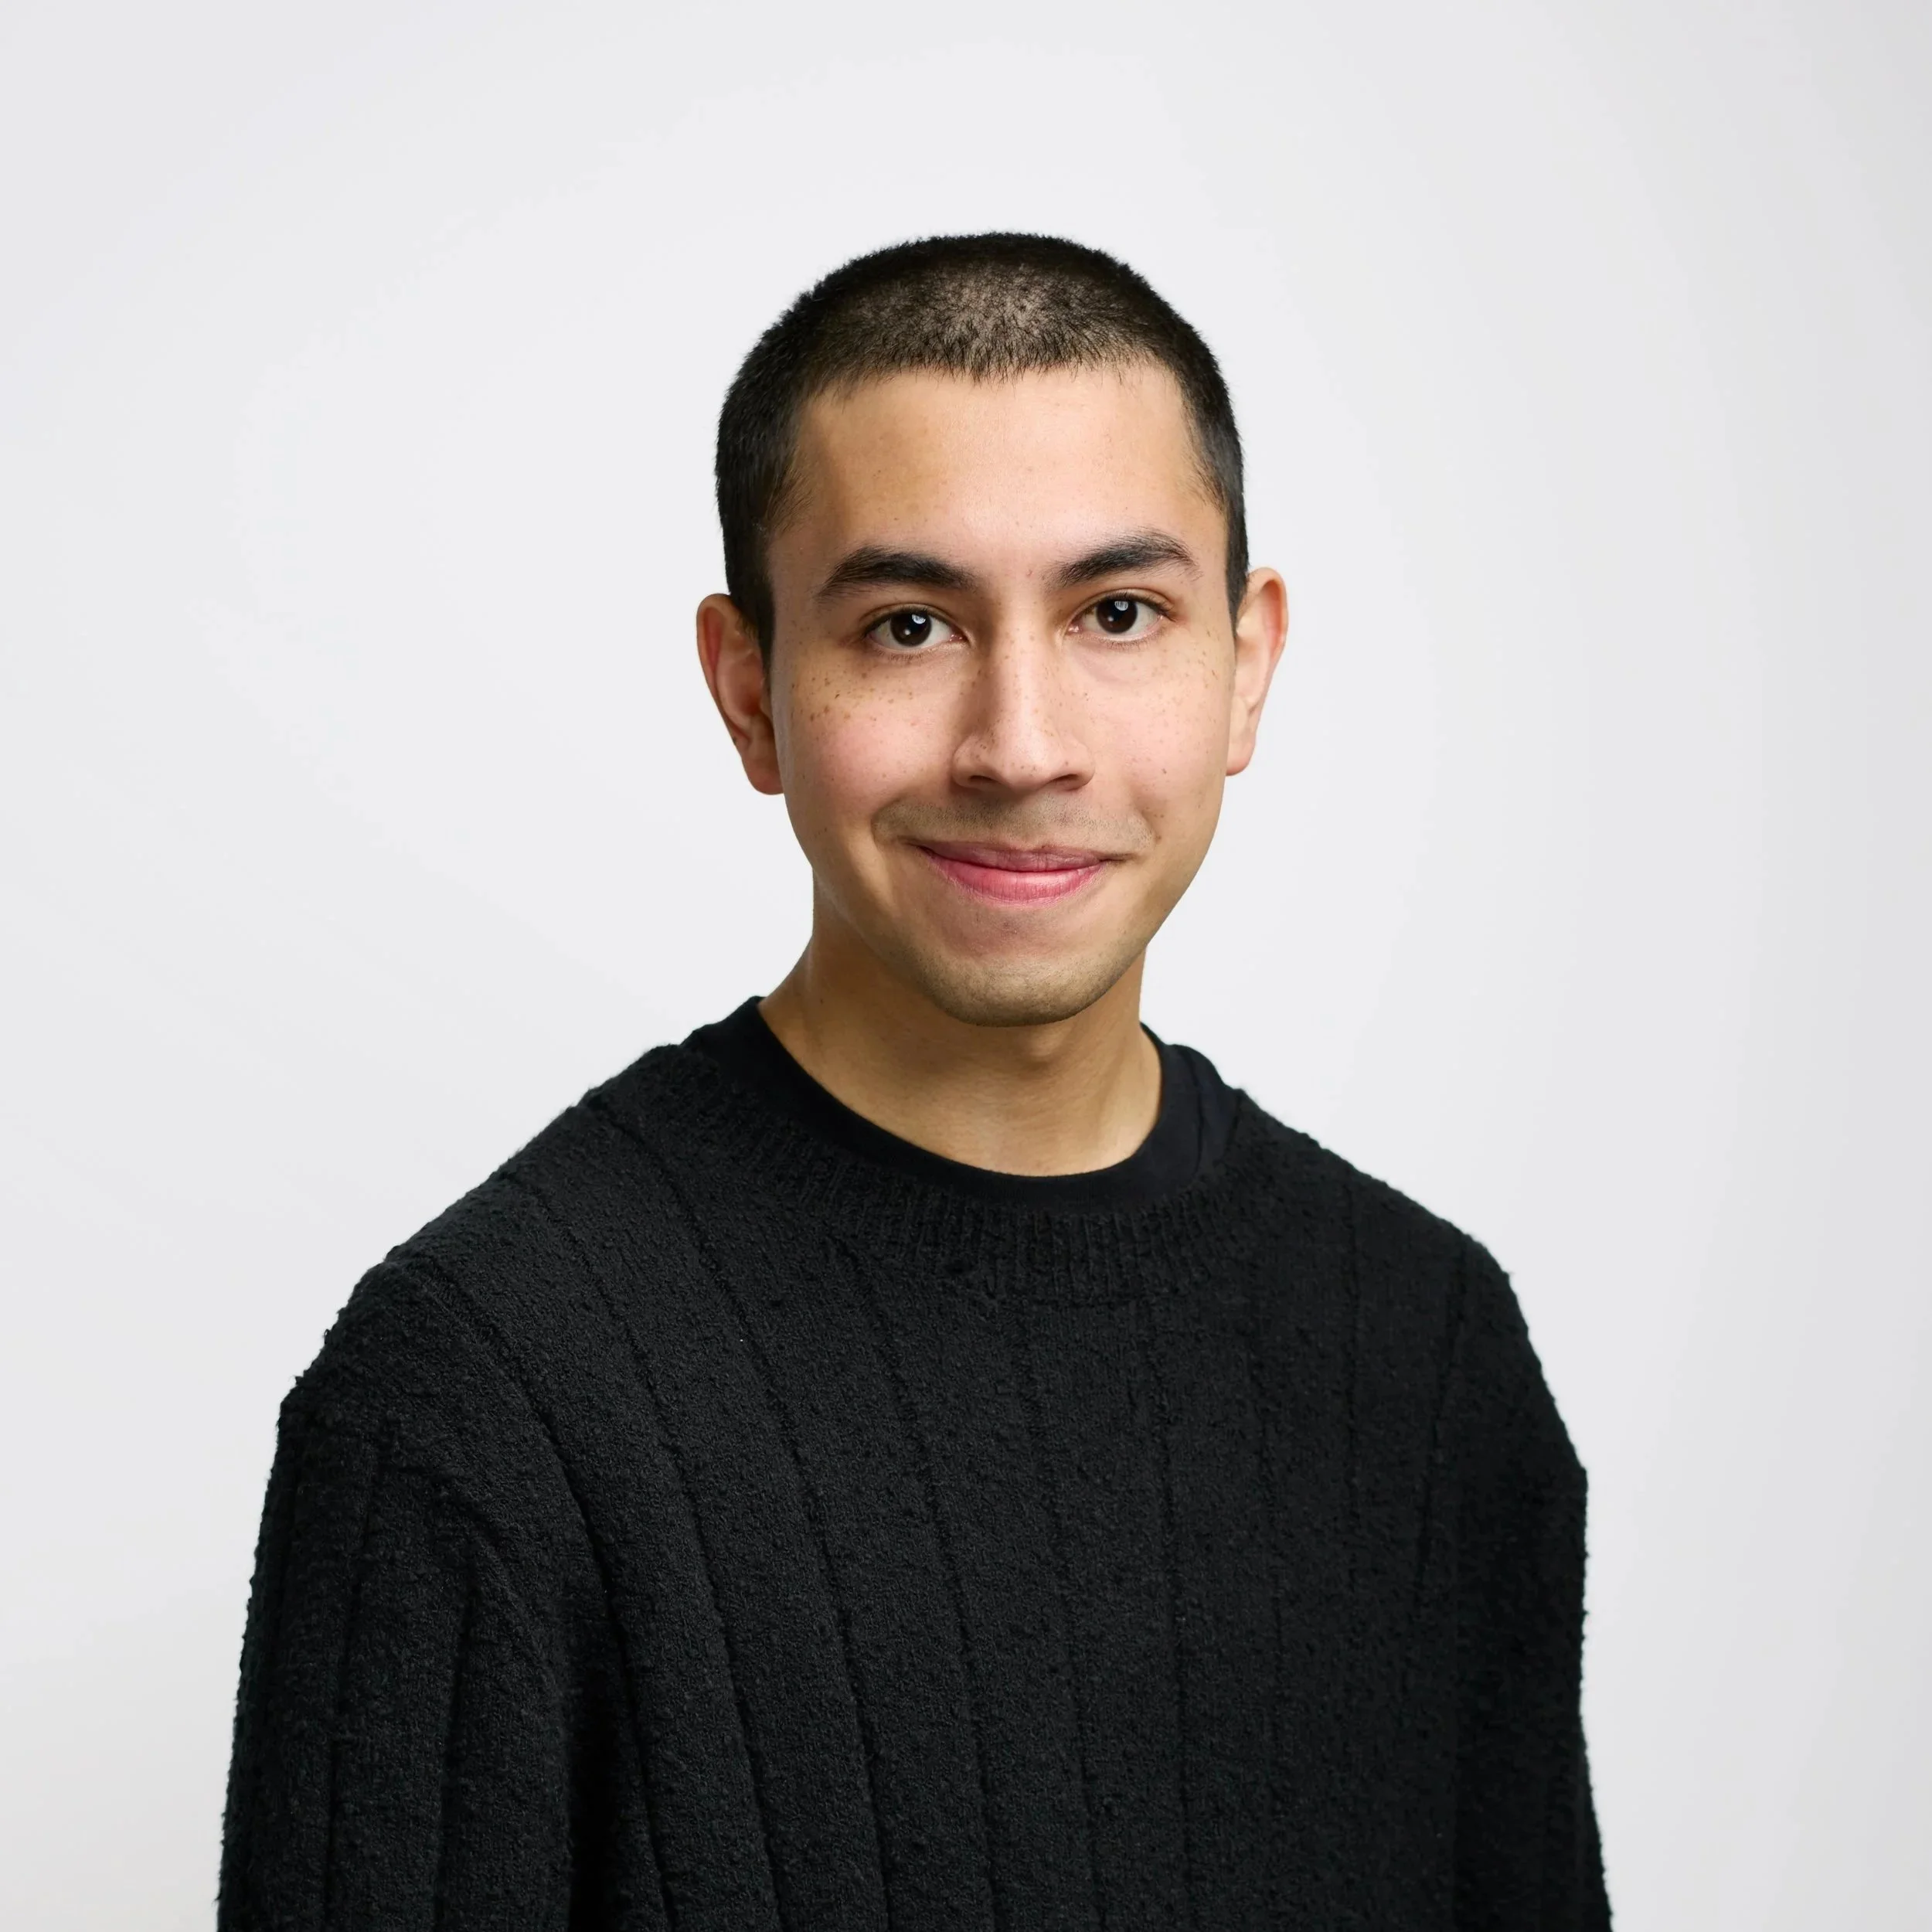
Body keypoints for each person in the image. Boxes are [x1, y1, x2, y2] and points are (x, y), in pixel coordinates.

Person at [218, 233, 1611, 1929]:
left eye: (1116, 614)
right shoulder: (479, 1393)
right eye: (907, 625)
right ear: (750, 692)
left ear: (1244, 665)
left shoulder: (1429, 1348)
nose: (1020, 744)